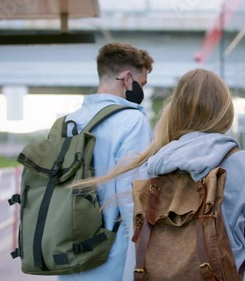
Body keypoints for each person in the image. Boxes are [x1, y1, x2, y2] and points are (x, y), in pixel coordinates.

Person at [78, 68, 245, 280]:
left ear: (176, 111)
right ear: (225, 113)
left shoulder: (151, 168)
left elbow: (138, 252)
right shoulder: (244, 167)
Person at [58, 42, 154, 281]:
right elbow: (133, 200)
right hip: (111, 259)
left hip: (68, 256)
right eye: (141, 84)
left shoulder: (68, 122)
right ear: (127, 78)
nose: (141, 92)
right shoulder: (132, 121)